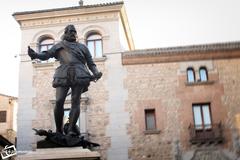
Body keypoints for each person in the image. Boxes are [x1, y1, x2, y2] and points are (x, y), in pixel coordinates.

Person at [28, 24, 102, 136]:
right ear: (65, 33)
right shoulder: (59, 45)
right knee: (59, 101)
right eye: (70, 31)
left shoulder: (83, 47)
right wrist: (35, 55)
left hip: (80, 73)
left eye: (74, 31)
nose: (72, 33)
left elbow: (91, 63)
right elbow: (47, 55)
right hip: (63, 73)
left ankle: (71, 129)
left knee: (75, 101)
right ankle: (59, 130)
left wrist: (96, 72)